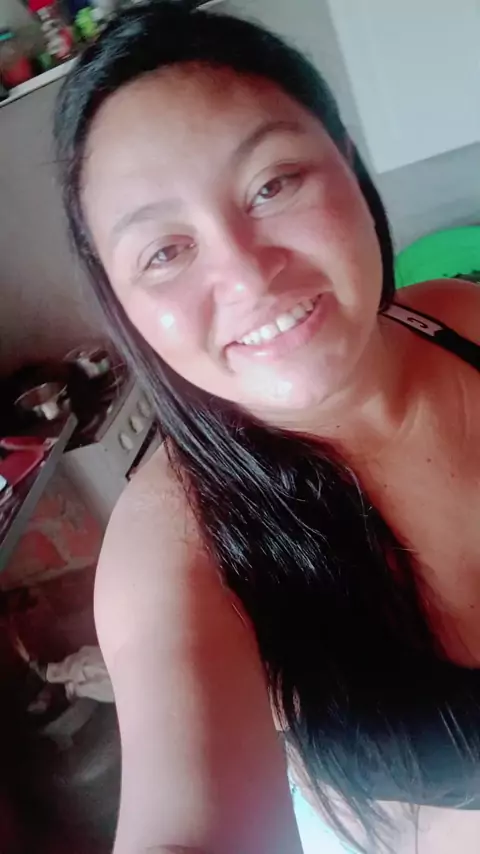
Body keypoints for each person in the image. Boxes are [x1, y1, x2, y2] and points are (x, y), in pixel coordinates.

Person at [54, 3, 480, 852]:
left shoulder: (460, 317)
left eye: (274, 184)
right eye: (165, 251)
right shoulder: (172, 551)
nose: (247, 277)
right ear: (121, 302)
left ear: (348, 164)